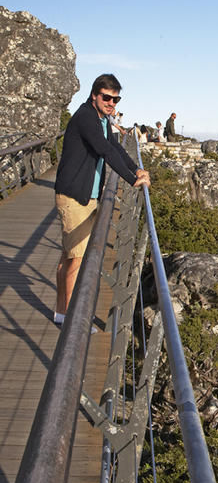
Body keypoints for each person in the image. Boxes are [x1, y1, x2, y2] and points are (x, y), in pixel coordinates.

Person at [52, 74, 150, 325]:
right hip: (75, 197)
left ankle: (61, 313)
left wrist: (136, 170)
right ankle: (74, 321)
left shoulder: (101, 118)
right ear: (94, 95)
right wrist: (131, 180)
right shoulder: (86, 117)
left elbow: (115, 147)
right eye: (107, 98)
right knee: (76, 261)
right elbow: (105, 150)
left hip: (83, 194)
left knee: (69, 257)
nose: (111, 104)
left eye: (115, 99)